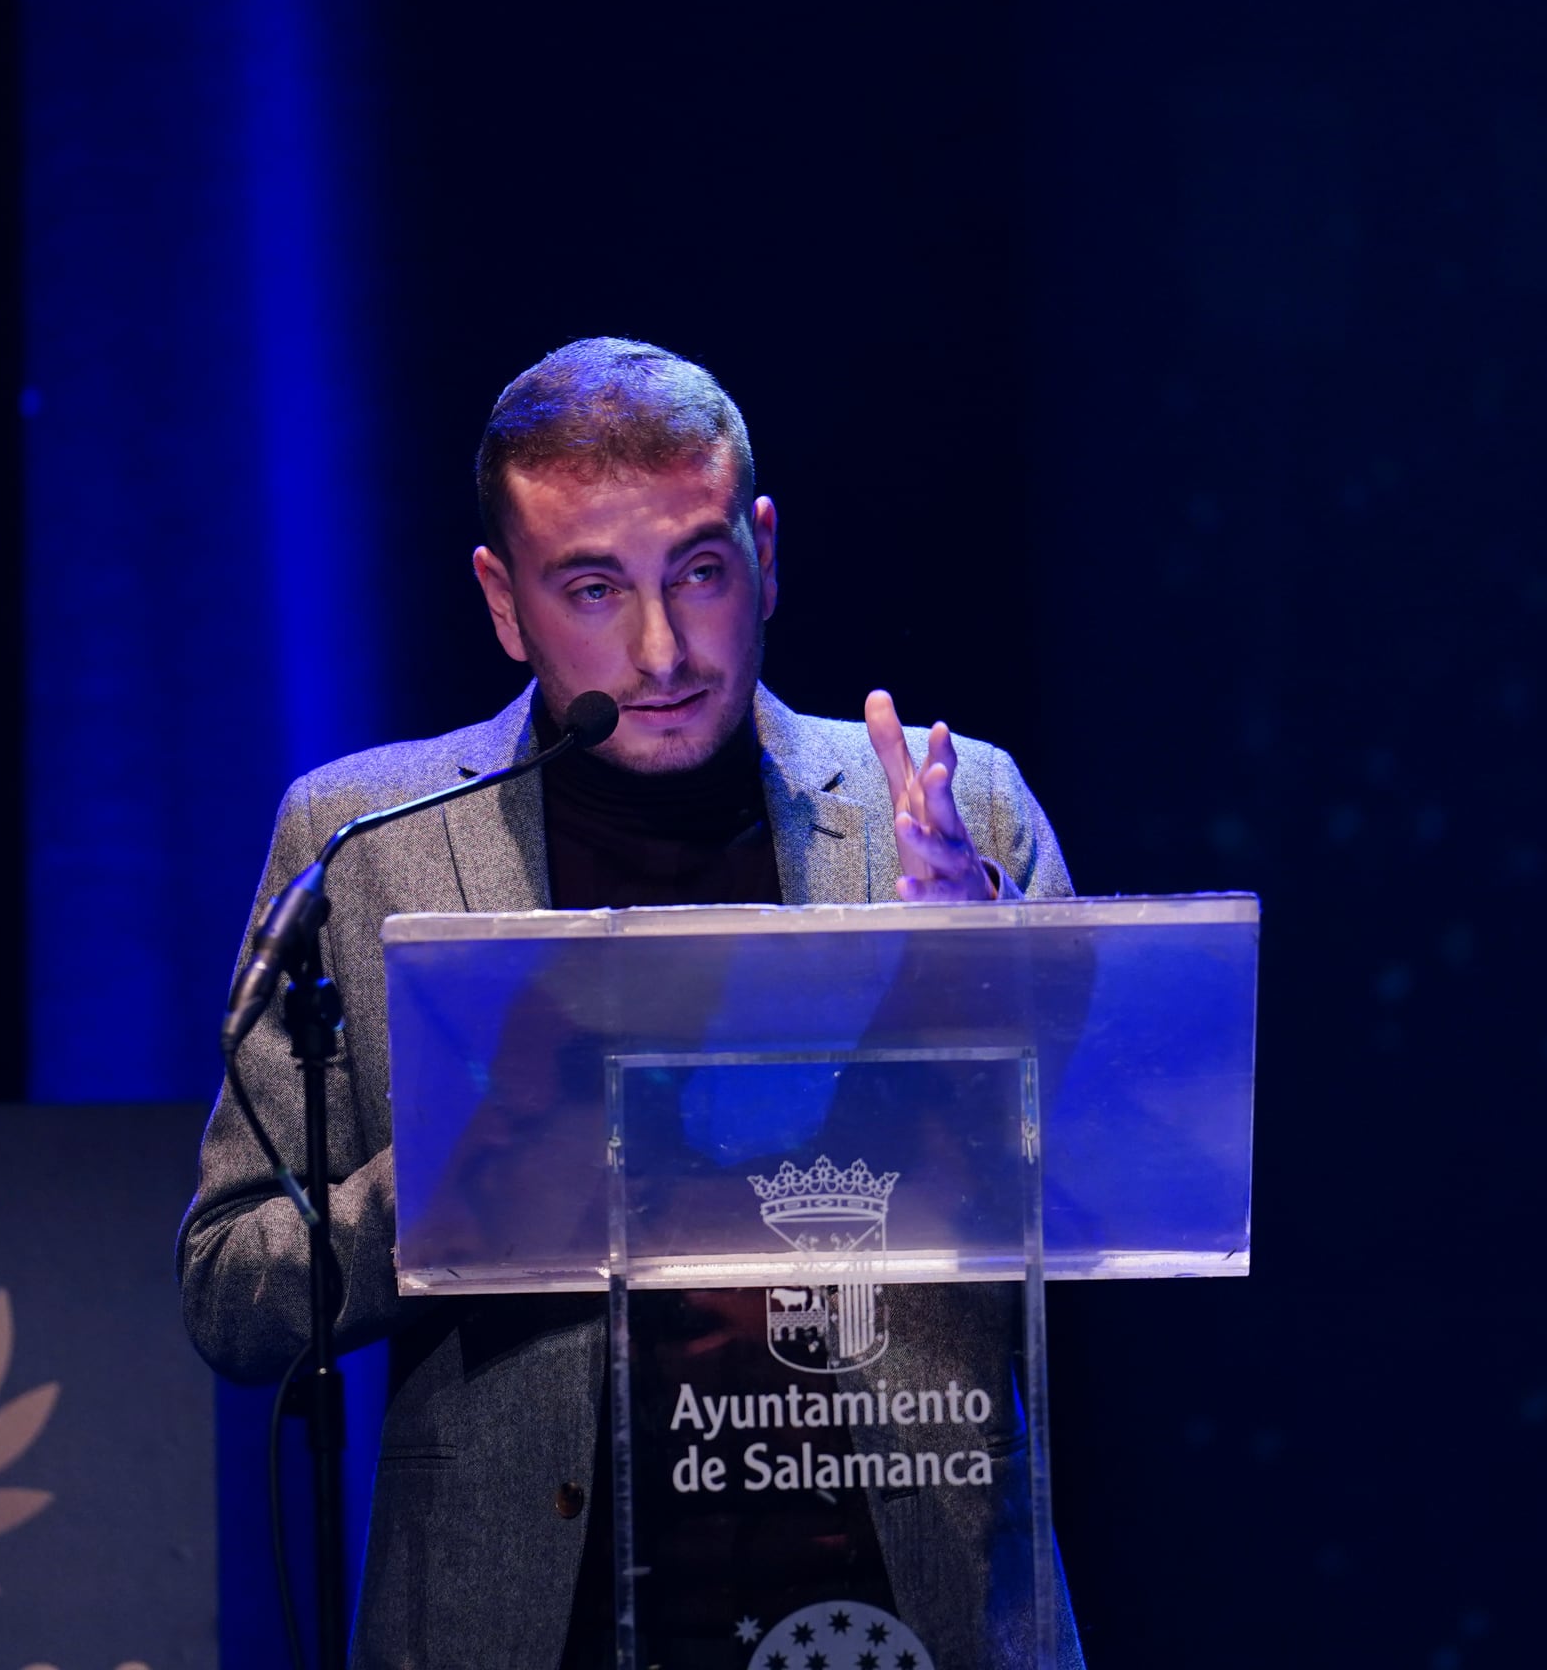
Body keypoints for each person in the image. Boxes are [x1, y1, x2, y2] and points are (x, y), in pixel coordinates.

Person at [181, 339, 1077, 1667]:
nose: (661, 649)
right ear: (504, 600)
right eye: (593, 588)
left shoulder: (954, 817)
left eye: (699, 573)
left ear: (763, 553)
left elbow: (1107, 1215)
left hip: (908, 1611)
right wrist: (465, 1170)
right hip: (529, 1623)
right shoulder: (369, 845)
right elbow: (236, 1292)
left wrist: (981, 1000)